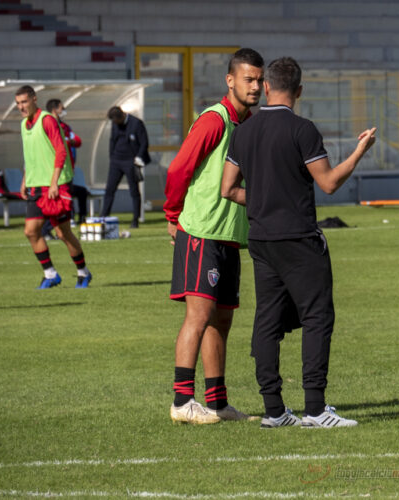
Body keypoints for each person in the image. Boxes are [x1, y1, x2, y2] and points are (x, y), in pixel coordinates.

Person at [221, 57, 376, 428]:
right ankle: (315, 408)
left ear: (268, 87)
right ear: (300, 91)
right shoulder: (302, 129)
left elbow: (228, 189)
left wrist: (261, 200)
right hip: (298, 238)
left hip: (260, 237)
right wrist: (359, 152)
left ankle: (273, 410)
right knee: (317, 316)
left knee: (268, 320)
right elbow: (328, 182)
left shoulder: (244, 130)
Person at [163, 48, 265, 424]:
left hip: (229, 236)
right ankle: (181, 401)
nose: (255, 86)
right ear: (230, 80)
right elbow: (178, 170)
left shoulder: (250, 124)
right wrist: (172, 215)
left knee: (222, 320)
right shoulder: (214, 120)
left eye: (258, 79)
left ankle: (218, 404)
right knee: (200, 314)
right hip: (201, 231)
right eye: (248, 79)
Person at [15, 85, 92, 288]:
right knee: (31, 231)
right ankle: (50, 274)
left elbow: (61, 151)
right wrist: (24, 180)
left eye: (24, 102)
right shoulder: (24, 124)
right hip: (35, 186)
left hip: (54, 186)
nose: (21, 107)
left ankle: (83, 272)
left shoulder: (47, 120)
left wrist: (54, 182)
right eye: (18, 103)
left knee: (62, 233)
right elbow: (29, 157)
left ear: (34, 99)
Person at [101, 106, 150, 227]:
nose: (115, 124)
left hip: (131, 161)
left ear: (121, 116)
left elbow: (144, 142)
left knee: (134, 191)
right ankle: (103, 217)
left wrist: (138, 157)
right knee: (109, 190)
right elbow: (112, 140)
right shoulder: (115, 124)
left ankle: (135, 220)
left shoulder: (136, 124)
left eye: (116, 121)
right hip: (116, 161)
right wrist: (112, 157)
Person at [46, 99, 87, 224]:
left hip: (66, 169)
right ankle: (47, 228)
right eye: (62, 108)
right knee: (54, 199)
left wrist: (69, 141)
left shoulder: (65, 127)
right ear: (54, 110)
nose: (64, 111)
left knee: (68, 196)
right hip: (53, 169)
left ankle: (74, 219)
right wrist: (66, 141)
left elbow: (78, 141)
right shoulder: (47, 124)